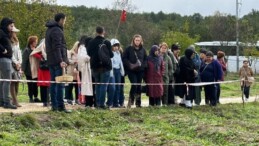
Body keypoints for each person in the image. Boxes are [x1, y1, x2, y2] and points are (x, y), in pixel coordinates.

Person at [45, 13, 70, 112]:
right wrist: (61, 60)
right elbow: (57, 47)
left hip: (51, 60)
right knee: (59, 84)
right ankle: (60, 106)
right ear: (61, 20)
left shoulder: (50, 29)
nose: (65, 22)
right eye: (64, 20)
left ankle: (54, 106)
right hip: (57, 61)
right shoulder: (57, 30)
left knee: (53, 83)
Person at [87, 26, 113, 109]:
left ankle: (98, 103)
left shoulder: (91, 42)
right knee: (103, 86)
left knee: (97, 85)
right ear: (103, 32)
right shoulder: (107, 42)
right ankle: (102, 104)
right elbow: (111, 55)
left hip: (94, 67)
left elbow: (89, 53)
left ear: (96, 32)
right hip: (105, 67)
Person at [122, 34, 147, 108]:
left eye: (139, 40)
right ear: (133, 40)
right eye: (136, 40)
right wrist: (129, 64)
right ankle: (130, 101)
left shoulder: (143, 49)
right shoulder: (129, 48)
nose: (137, 42)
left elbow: (146, 59)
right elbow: (124, 58)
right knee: (134, 84)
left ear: (141, 41)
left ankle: (138, 103)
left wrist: (143, 65)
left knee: (139, 86)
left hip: (140, 71)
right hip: (131, 70)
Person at [0, 17, 17, 109]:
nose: (12, 27)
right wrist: (3, 50)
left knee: (3, 81)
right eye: (11, 26)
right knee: (7, 80)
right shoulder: (1, 32)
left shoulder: (5, 33)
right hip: (4, 59)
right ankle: (7, 101)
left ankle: (2, 101)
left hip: (5, 59)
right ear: (6, 25)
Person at [30, 39, 51, 107]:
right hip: (42, 69)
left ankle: (47, 100)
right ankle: (44, 101)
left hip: (48, 70)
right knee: (43, 86)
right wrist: (41, 57)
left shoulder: (51, 47)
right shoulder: (41, 47)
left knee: (48, 85)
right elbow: (34, 53)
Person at [106, 38, 125, 108]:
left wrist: (122, 71)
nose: (116, 47)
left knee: (118, 87)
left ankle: (116, 103)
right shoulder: (110, 54)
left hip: (118, 71)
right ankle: (109, 102)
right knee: (112, 88)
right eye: (114, 46)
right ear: (111, 46)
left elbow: (120, 63)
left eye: (117, 46)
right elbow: (111, 63)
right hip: (112, 71)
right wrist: (111, 73)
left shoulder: (118, 53)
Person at [22, 36, 40, 103]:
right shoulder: (27, 50)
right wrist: (23, 70)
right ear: (31, 42)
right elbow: (24, 61)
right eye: (35, 42)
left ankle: (35, 97)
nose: (36, 43)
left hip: (36, 70)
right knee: (30, 84)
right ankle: (30, 97)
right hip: (29, 71)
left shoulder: (37, 50)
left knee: (35, 84)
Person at [77, 36, 93, 106]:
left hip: (91, 69)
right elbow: (83, 57)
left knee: (92, 87)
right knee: (87, 87)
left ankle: (92, 102)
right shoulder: (83, 48)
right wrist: (90, 57)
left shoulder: (90, 48)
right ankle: (88, 102)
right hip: (86, 70)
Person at [10, 26, 22, 107]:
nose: (16, 33)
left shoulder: (17, 41)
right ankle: (14, 100)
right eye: (14, 32)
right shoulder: (9, 41)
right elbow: (11, 54)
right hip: (11, 63)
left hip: (18, 64)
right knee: (13, 82)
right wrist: (15, 62)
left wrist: (20, 62)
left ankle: (14, 100)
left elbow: (19, 53)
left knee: (17, 82)